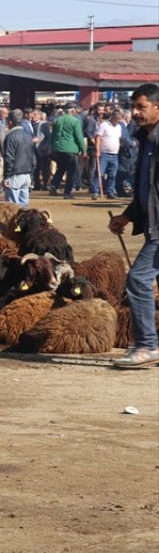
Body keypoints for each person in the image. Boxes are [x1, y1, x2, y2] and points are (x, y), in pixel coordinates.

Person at [110, 83, 159, 369]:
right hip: (152, 224)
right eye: (133, 107)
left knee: (138, 280)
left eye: (141, 107)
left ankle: (146, 346)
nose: (135, 112)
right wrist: (128, 216)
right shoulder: (145, 139)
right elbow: (148, 189)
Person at [50, 104, 86, 199]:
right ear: (73, 111)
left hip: (58, 148)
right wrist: (83, 150)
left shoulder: (57, 120)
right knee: (71, 172)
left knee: (61, 168)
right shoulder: (75, 121)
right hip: (70, 148)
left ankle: (54, 184)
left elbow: (53, 136)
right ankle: (67, 192)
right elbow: (79, 137)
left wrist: (53, 148)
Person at [1, 109, 35, 206]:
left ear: (10, 122)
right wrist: (31, 175)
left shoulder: (10, 136)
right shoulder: (28, 136)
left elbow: (9, 158)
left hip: (14, 175)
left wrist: (6, 177)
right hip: (26, 175)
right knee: (24, 207)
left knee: (13, 208)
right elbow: (33, 158)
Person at [92, 110, 124, 200]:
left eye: (119, 120)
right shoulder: (104, 125)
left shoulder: (119, 127)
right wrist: (97, 150)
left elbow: (118, 138)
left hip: (114, 154)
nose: (117, 121)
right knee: (99, 173)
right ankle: (95, 191)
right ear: (113, 117)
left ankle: (110, 191)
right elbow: (98, 138)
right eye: (117, 119)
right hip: (104, 153)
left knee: (112, 174)